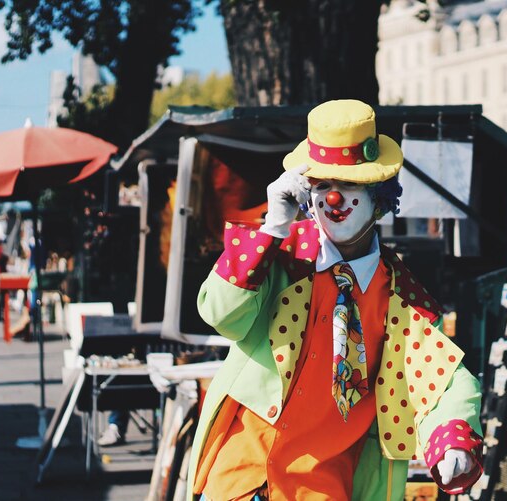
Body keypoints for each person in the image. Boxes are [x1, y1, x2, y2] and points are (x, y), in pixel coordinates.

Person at [187, 100, 484, 500]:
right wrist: (272, 229)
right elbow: (221, 314)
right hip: (239, 479)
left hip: (323, 487)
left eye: (348, 185)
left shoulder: (400, 296)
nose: (332, 199)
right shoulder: (280, 258)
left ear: (379, 195)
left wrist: (452, 442)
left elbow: (443, 379)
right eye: (322, 185)